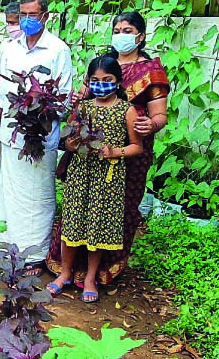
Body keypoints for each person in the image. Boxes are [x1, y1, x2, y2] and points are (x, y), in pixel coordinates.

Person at [49, 10, 171, 288]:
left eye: (127, 31)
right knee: (77, 211)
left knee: (113, 211)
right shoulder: (102, 65)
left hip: (127, 151)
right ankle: (67, 269)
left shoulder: (150, 71)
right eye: (117, 30)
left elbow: (160, 116)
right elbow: (82, 103)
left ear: (141, 36)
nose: (121, 35)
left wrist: (151, 125)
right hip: (86, 156)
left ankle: (99, 271)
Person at [0, 0, 73, 277]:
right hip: (11, 134)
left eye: (32, 15)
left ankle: (35, 254)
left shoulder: (58, 50)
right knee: (9, 192)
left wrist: (37, 116)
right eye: (23, 15)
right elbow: (1, 94)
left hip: (40, 136)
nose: (26, 20)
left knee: (38, 194)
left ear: (45, 16)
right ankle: (6, 245)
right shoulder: (9, 48)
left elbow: (64, 98)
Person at [46, 55, 144, 303]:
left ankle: (90, 278)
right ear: (89, 82)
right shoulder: (83, 108)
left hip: (107, 179)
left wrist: (115, 152)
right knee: (72, 224)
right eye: (95, 80)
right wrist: (71, 143)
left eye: (107, 80)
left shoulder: (127, 110)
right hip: (80, 174)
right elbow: (68, 140)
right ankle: (65, 273)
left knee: (97, 227)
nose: (101, 85)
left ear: (118, 82)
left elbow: (137, 147)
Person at [0, 1, 22, 85]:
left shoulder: (32, 46)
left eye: (13, 23)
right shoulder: (5, 44)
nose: (10, 27)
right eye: (8, 23)